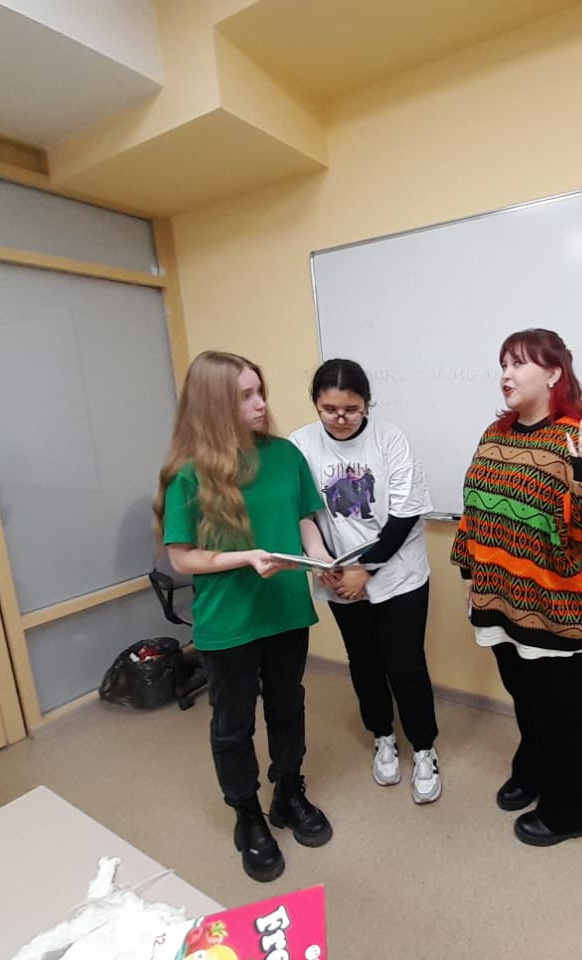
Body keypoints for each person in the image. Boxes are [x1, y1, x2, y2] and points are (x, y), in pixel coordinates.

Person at [153, 350, 334, 883]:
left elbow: (303, 518)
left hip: (286, 609)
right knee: (232, 724)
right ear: (214, 405)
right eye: (245, 396)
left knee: (287, 706)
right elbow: (182, 557)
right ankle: (247, 815)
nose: (260, 403)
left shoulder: (284, 455)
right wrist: (245, 558)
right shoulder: (187, 474)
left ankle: (289, 793)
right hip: (228, 619)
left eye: (260, 391)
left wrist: (320, 556)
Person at [450, 328, 582, 846]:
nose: (506, 374)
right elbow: (474, 510)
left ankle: (570, 811)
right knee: (525, 696)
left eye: (519, 363)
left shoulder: (580, 438)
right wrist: (468, 572)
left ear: (553, 374)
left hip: (561, 608)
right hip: (501, 600)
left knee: (568, 709)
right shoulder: (494, 434)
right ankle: (534, 768)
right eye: (503, 364)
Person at [289, 359, 442, 804]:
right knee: (364, 661)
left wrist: (365, 569)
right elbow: (300, 510)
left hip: (398, 573)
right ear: (316, 404)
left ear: (367, 404)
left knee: (405, 664)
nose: (340, 418)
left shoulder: (390, 440)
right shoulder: (300, 444)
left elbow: (405, 515)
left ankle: (425, 749)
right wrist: (321, 560)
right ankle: (383, 737)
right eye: (329, 409)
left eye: (351, 409)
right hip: (338, 574)